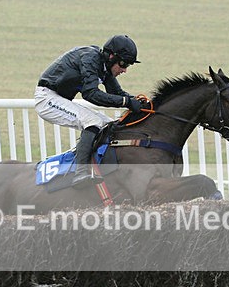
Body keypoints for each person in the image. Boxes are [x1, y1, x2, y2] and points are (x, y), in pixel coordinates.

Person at [35, 34, 146, 187]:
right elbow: (90, 94)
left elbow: (117, 93)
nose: (124, 70)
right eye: (123, 64)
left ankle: (98, 166)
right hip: (47, 99)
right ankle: (80, 173)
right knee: (92, 121)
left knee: (108, 125)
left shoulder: (104, 65)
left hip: (59, 99)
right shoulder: (90, 58)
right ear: (112, 56)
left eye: (128, 65)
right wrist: (126, 102)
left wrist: (137, 101)